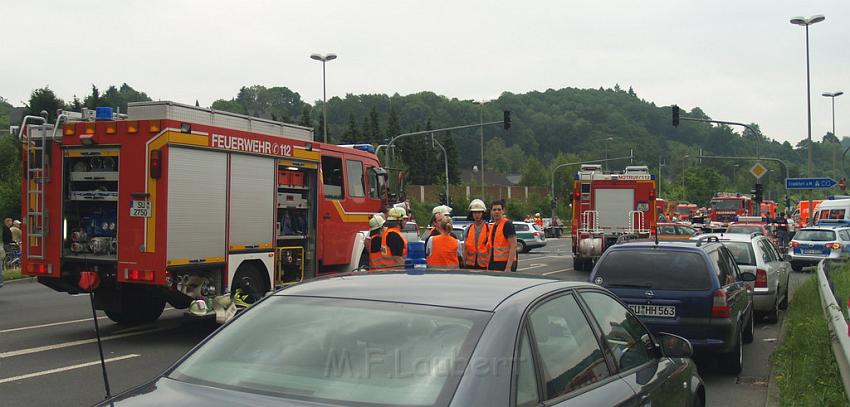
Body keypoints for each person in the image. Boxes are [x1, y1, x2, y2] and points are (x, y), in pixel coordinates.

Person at [488, 200, 518, 272]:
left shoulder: (507, 224)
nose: (496, 212)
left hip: (505, 264)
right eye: (494, 210)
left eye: (499, 209)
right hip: (494, 263)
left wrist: (508, 267)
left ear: (503, 211)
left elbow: (513, 246)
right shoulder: (493, 226)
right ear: (491, 212)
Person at [463, 199, 490, 270]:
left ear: (482, 213)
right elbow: (465, 248)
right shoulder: (468, 229)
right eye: (474, 212)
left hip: (484, 265)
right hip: (470, 264)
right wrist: (464, 263)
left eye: (479, 212)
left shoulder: (488, 228)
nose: (476, 215)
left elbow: (490, 248)